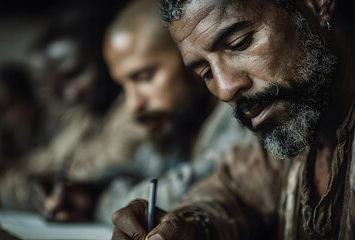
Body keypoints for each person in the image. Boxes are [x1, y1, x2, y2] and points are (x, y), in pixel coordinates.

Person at [110, 0, 355, 239]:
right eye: (205, 73)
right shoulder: (294, 127)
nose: (225, 89)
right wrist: (190, 226)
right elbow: (232, 190)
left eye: (240, 43)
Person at [94, 0, 250, 224]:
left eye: (144, 77)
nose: (133, 104)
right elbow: (121, 179)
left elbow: (178, 195)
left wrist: (108, 201)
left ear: (189, 56)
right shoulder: (176, 124)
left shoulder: (245, 115)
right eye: (123, 86)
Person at [0, 4, 147, 215]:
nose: (71, 94)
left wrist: (17, 184)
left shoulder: (139, 108)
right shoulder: (84, 116)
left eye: (75, 74)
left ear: (107, 56)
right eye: (59, 85)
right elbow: (46, 161)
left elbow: (94, 171)